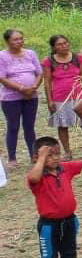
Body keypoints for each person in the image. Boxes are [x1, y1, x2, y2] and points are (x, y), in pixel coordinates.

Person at [0, 29, 43, 168]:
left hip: (31, 96)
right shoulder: (2, 56)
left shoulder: (31, 53)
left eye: (21, 38)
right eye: (15, 39)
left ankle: (33, 155)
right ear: (7, 41)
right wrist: (22, 89)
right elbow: (2, 78)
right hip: (11, 98)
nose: (19, 41)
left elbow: (39, 73)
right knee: (13, 126)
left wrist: (34, 87)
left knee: (29, 127)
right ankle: (12, 159)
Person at [42, 35, 82, 159]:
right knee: (62, 125)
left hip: (79, 96)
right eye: (60, 44)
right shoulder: (48, 61)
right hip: (60, 98)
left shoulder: (79, 58)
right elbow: (47, 82)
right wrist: (49, 101)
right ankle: (67, 151)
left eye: (65, 43)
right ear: (54, 47)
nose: (64, 46)